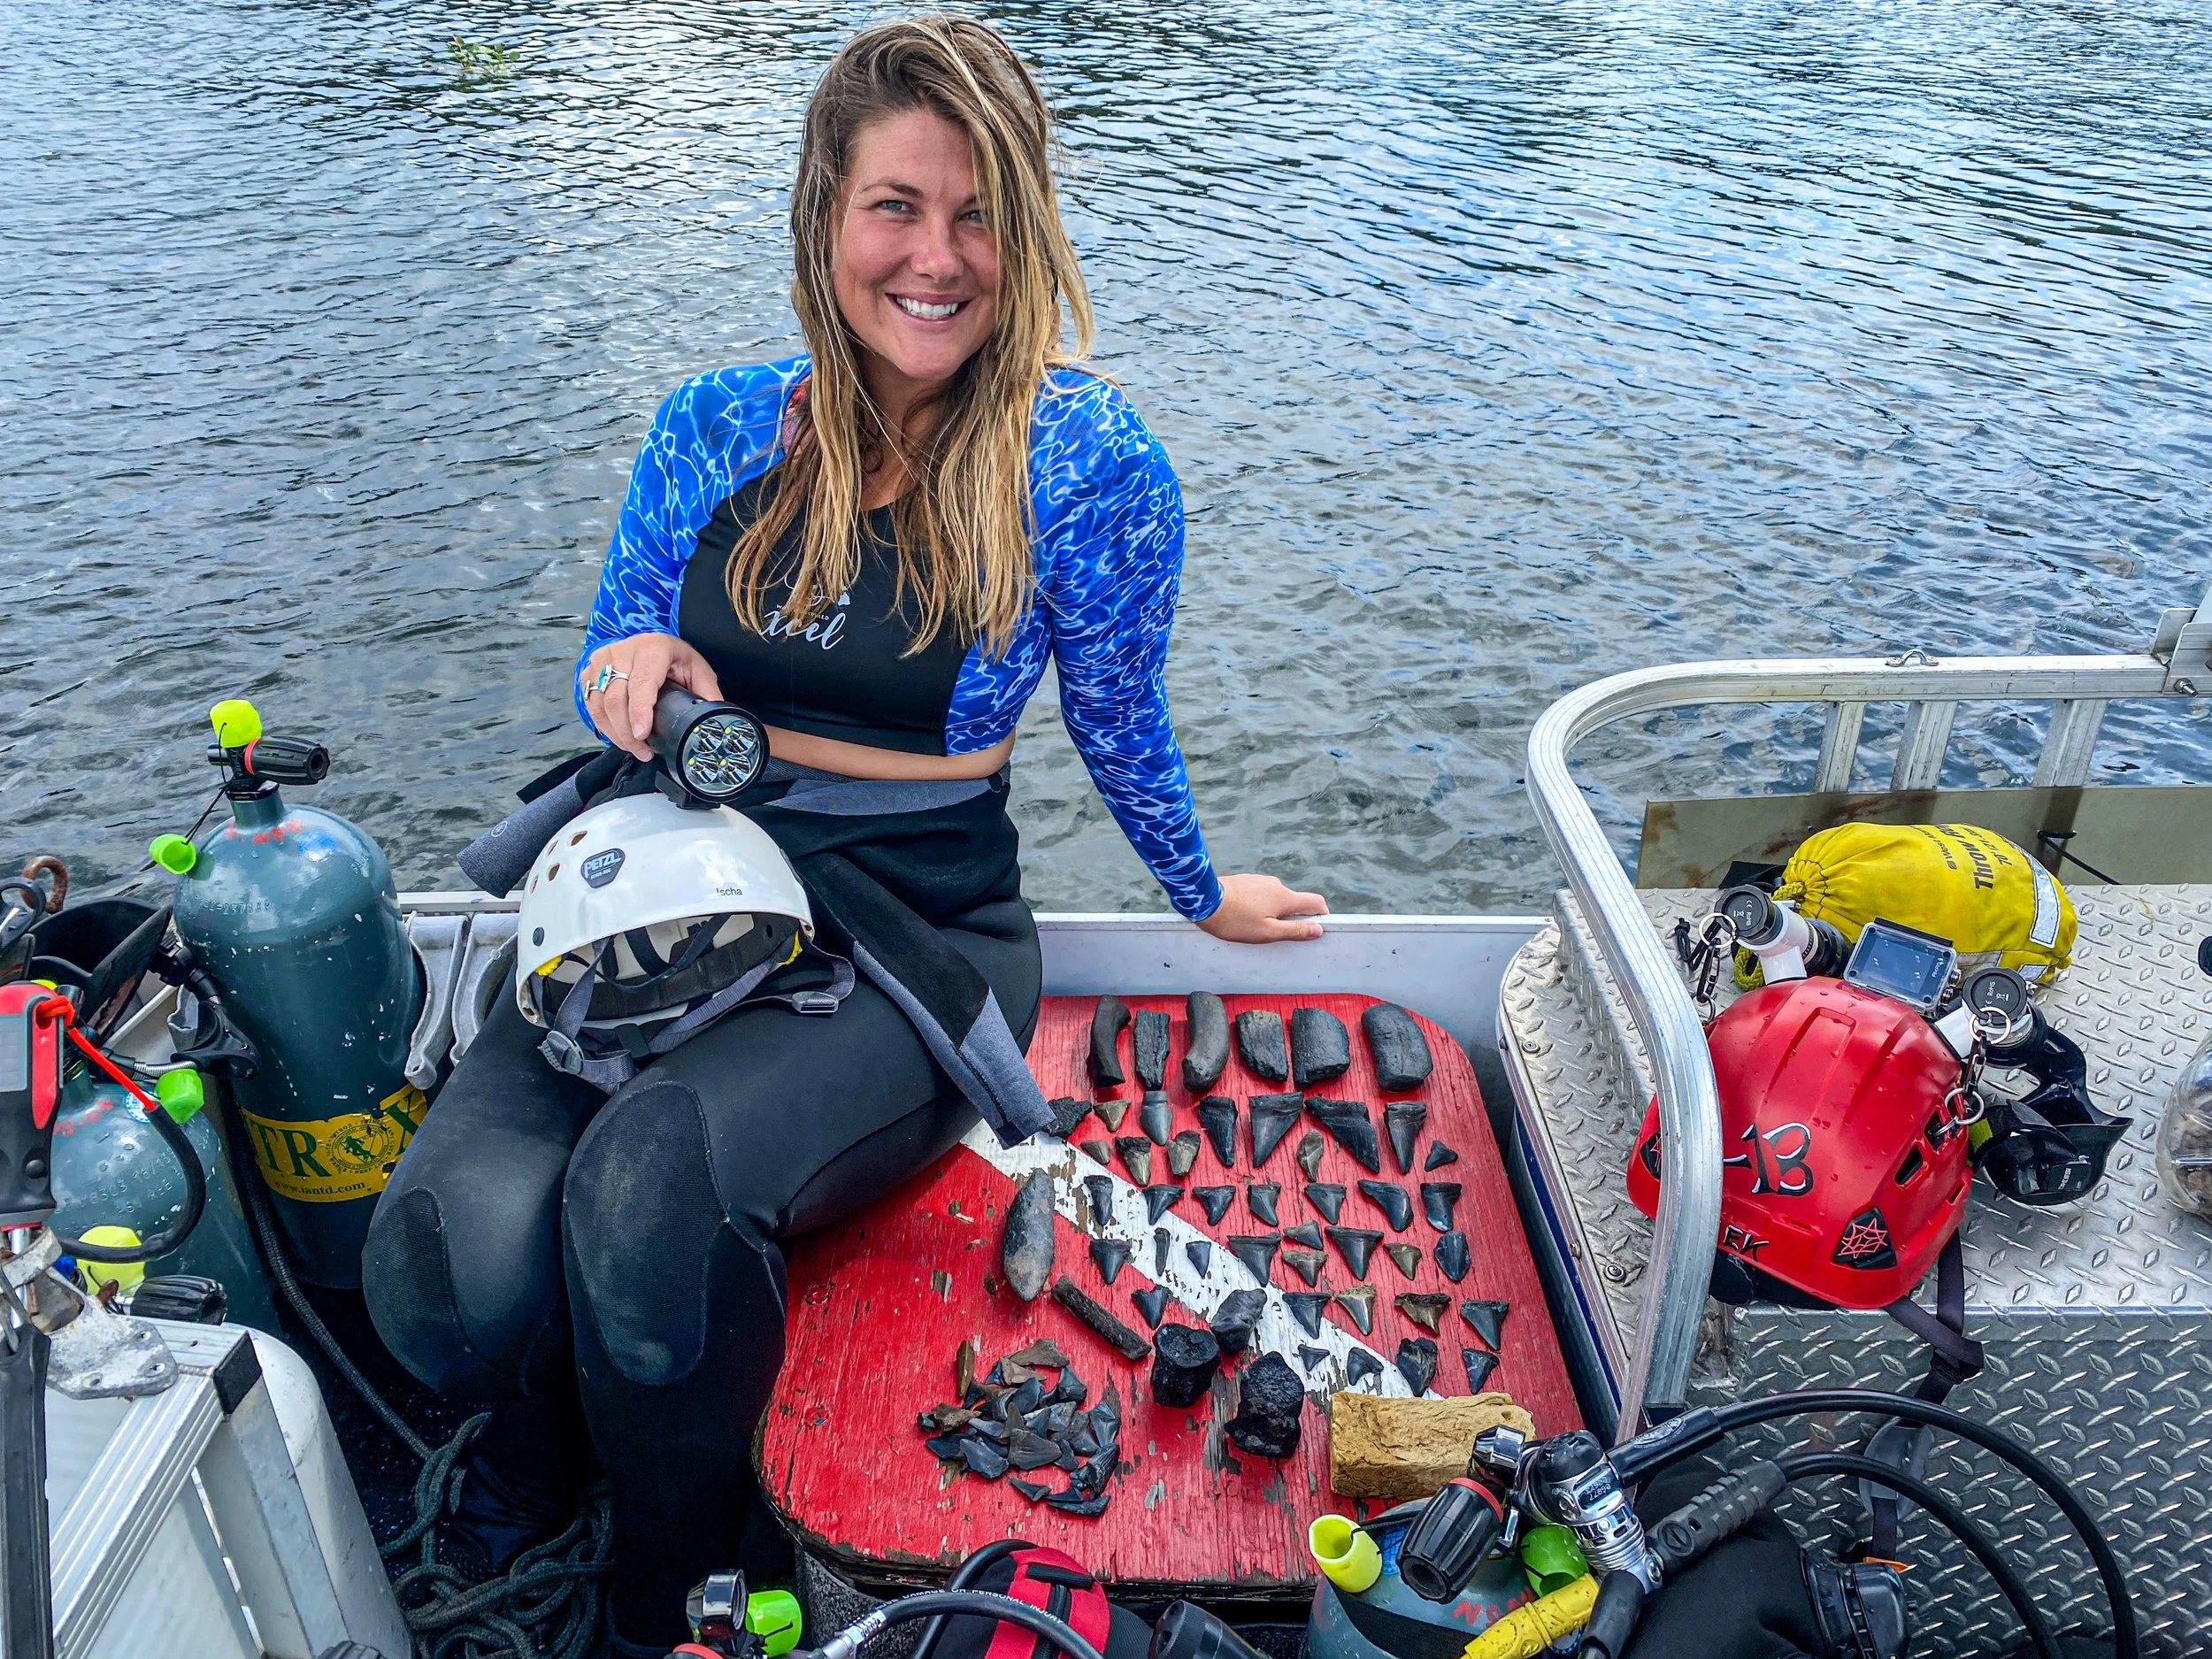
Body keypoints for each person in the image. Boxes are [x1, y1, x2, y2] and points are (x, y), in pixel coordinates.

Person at [363, 16, 1325, 1653]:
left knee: (646, 1197)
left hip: (908, 922)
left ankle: (666, 1577)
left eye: (977, 215)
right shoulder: (710, 423)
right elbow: (611, 651)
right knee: (445, 1259)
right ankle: (541, 1450)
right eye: (895, 207)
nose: (936, 260)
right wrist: (631, 674)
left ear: (1026, 229)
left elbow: (1118, 715)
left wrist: (1196, 890)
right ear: (823, 217)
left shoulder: (1089, 462)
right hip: (665, 882)